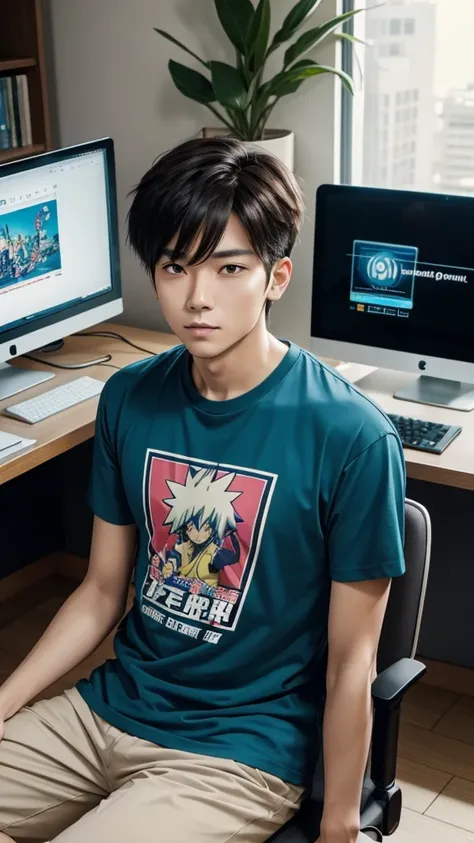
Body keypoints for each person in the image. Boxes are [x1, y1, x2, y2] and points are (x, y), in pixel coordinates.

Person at [0, 137, 406, 843]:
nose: (195, 297)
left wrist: (340, 824)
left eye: (228, 268)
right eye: (175, 266)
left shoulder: (352, 437)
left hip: (238, 753)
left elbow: (351, 664)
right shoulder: (129, 397)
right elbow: (101, 590)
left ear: (276, 276)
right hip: (111, 708)